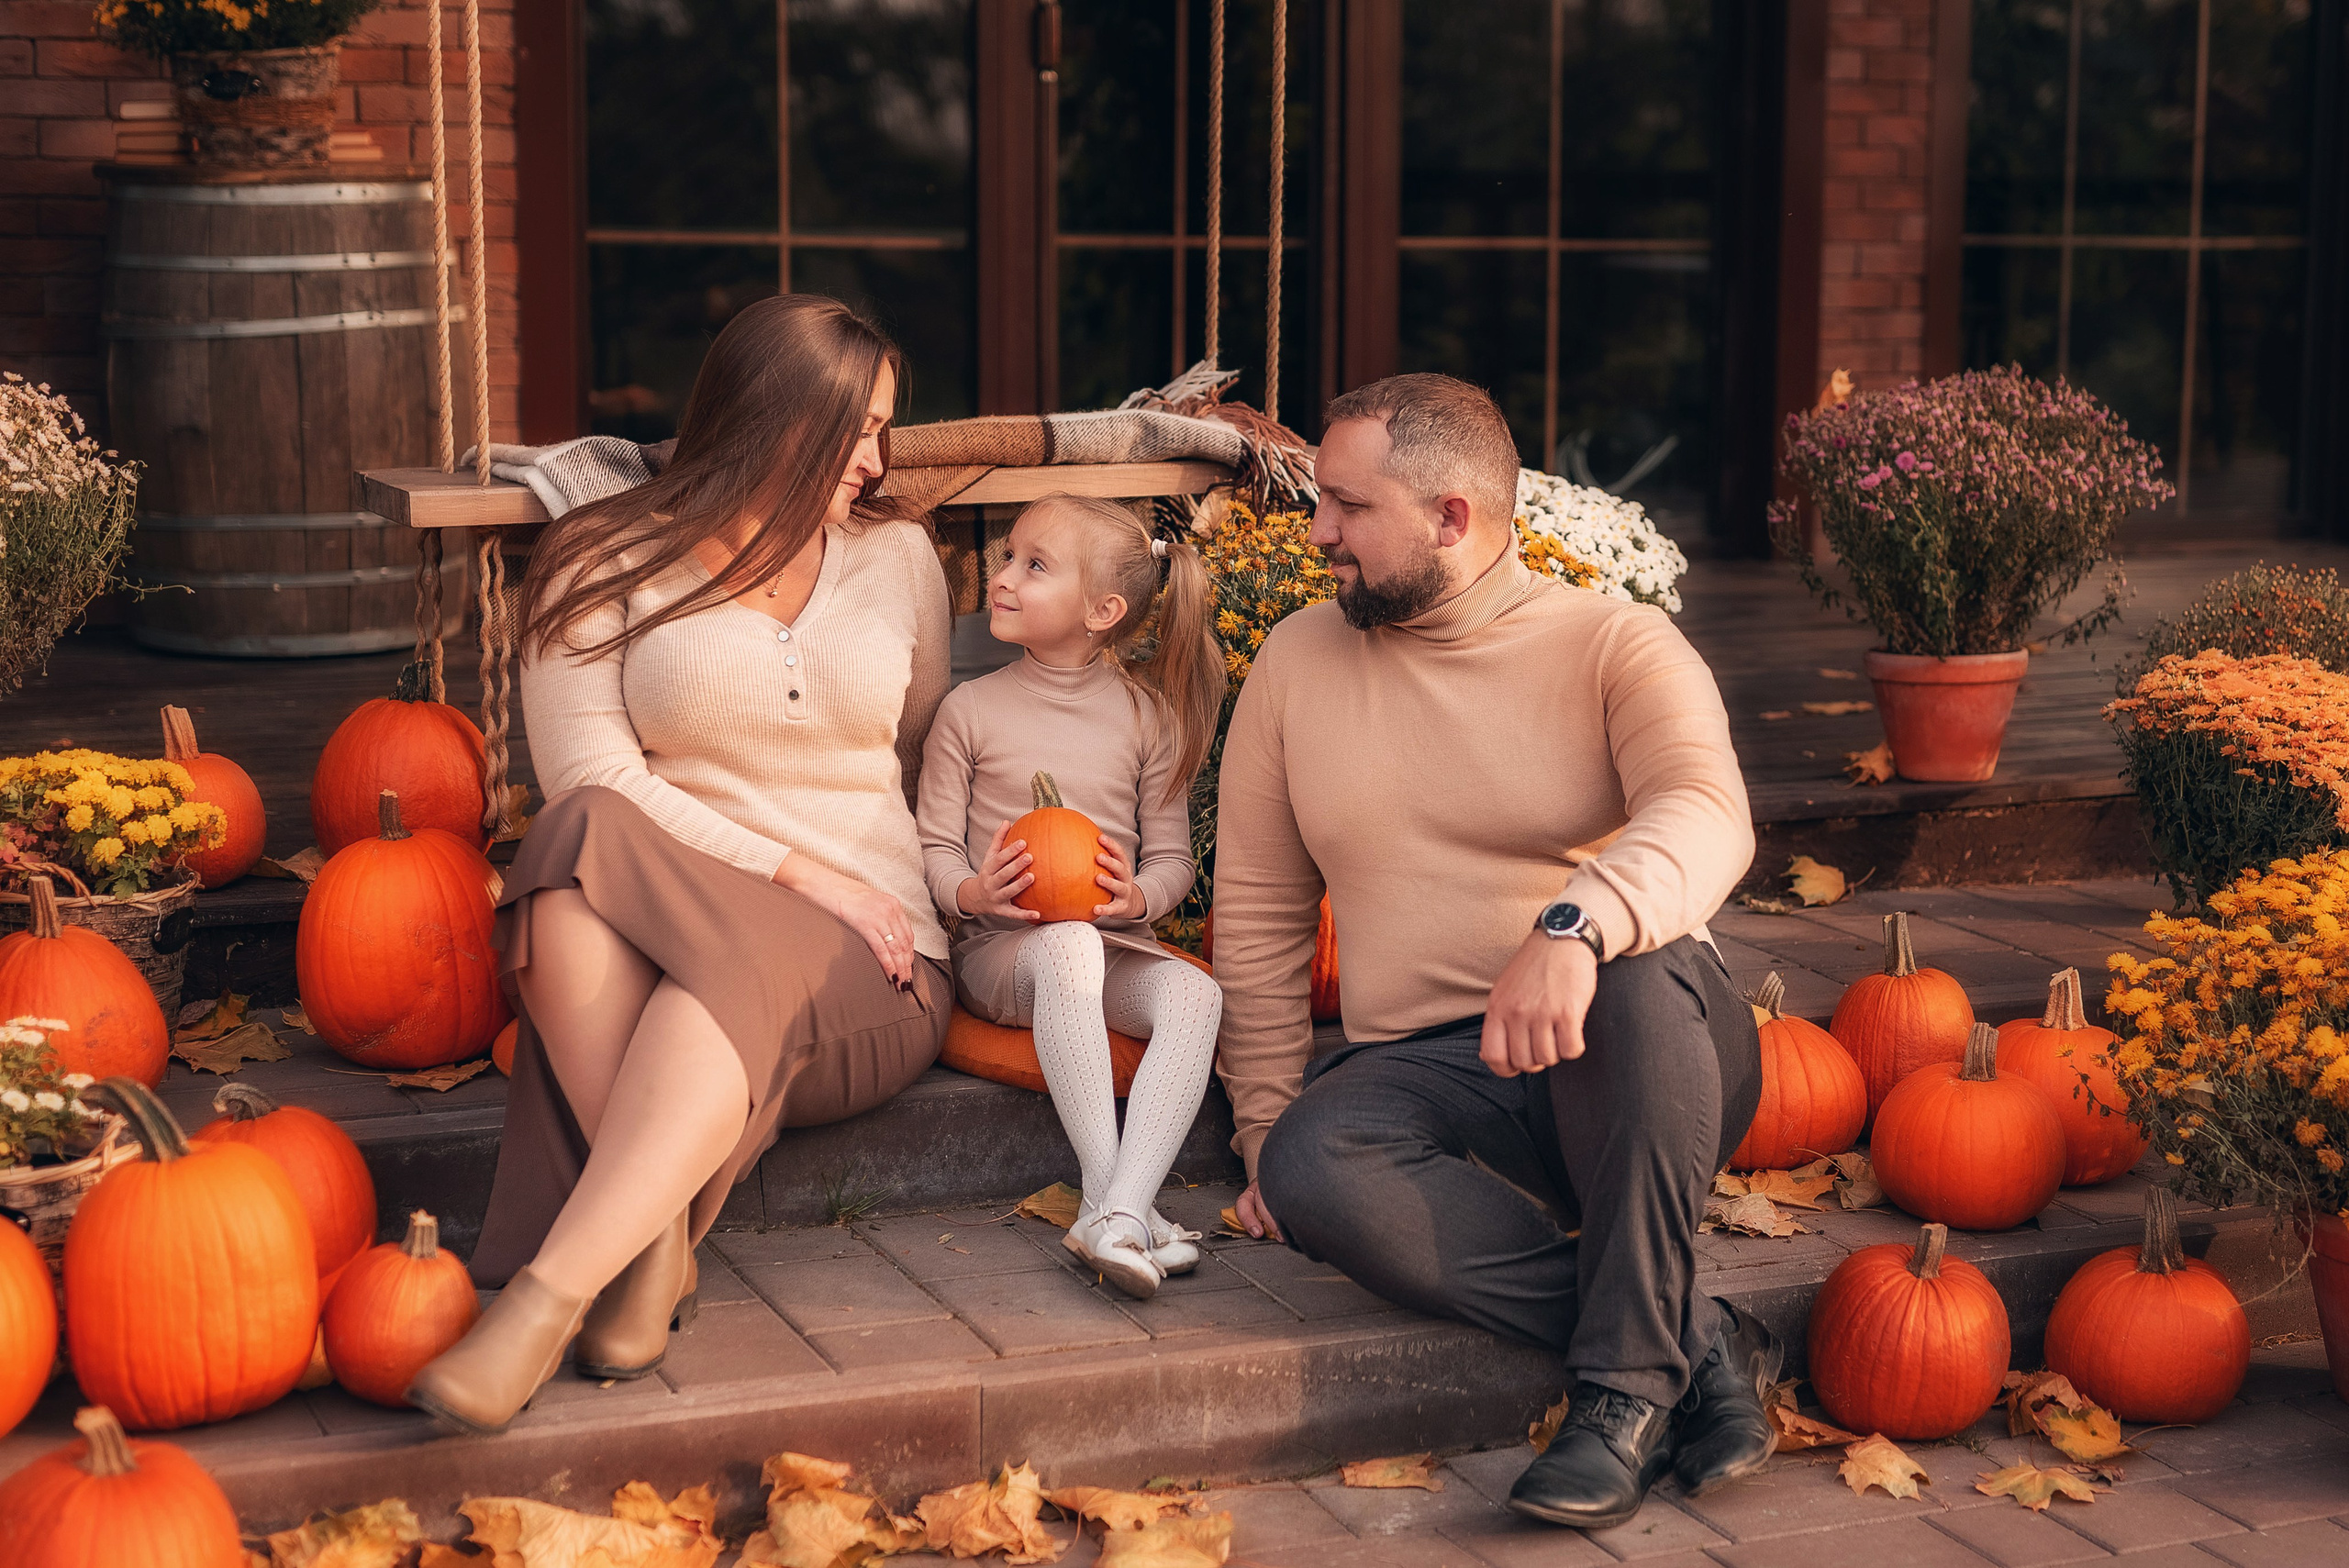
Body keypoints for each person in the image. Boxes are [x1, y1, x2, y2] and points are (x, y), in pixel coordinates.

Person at [1209, 373, 1771, 1529]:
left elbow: (1709, 809)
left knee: (1632, 974)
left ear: (1451, 517)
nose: (1316, 530)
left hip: (1636, 1043)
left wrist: (1574, 925)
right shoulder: (1294, 661)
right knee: (1317, 1162)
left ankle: (1617, 1394)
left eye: (1347, 507)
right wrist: (1265, 1124)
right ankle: (1697, 1337)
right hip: (1431, 1066)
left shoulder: (1615, 641)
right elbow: (1261, 910)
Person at [406, 295, 954, 1434]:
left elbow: (922, 745)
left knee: (710, 972)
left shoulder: (899, 557)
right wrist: (799, 871)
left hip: (876, 952)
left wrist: (901, 888)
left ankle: (543, 1302)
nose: (876, 458)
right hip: (696, 910)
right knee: (569, 842)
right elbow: (592, 782)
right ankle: (650, 1237)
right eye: (854, 429)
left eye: (883, 429)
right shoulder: (599, 557)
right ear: (769, 421)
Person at [917, 495, 1228, 1298]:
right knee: (1067, 943)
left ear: (1103, 610)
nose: (1003, 575)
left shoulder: (1144, 717)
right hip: (1003, 949)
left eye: (1034, 564)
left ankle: (1118, 1213)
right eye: (1010, 554)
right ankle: (1111, 1199)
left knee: (1194, 993)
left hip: (1111, 940)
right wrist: (972, 889)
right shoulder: (970, 709)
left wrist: (1135, 900)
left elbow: (1172, 860)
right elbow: (932, 847)